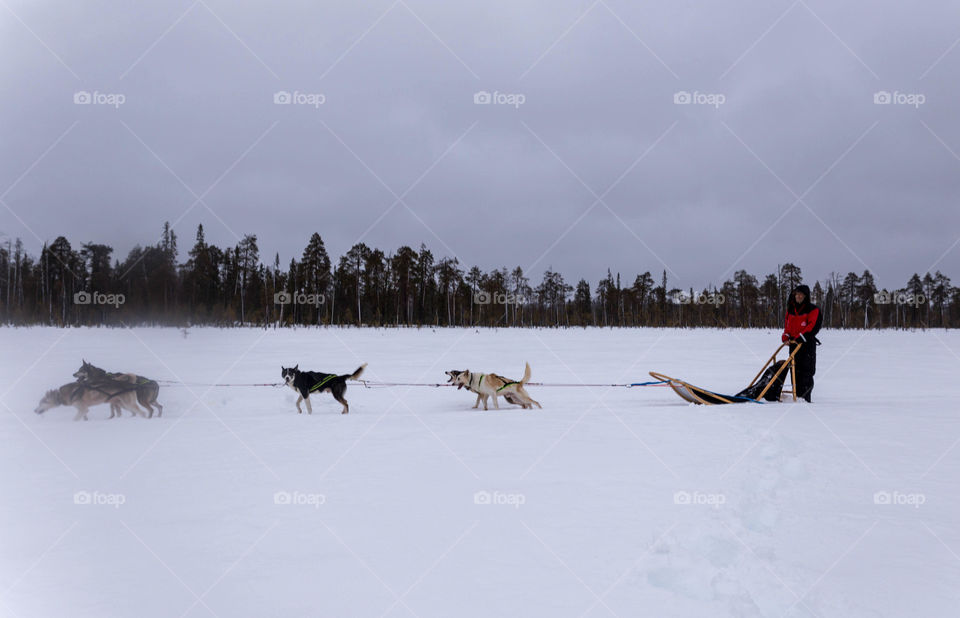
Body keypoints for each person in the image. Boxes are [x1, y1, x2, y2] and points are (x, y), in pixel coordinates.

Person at [781, 284, 822, 402]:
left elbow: (812, 327)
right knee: (794, 371)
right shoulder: (791, 309)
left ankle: (805, 399)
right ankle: (796, 396)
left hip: (807, 345)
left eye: (801, 294)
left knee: (807, 372)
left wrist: (801, 337)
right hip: (794, 345)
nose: (798, 296)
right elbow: (788, 327)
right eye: (797, 294)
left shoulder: (813, 309)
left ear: (806, 296)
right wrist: (786, 336)